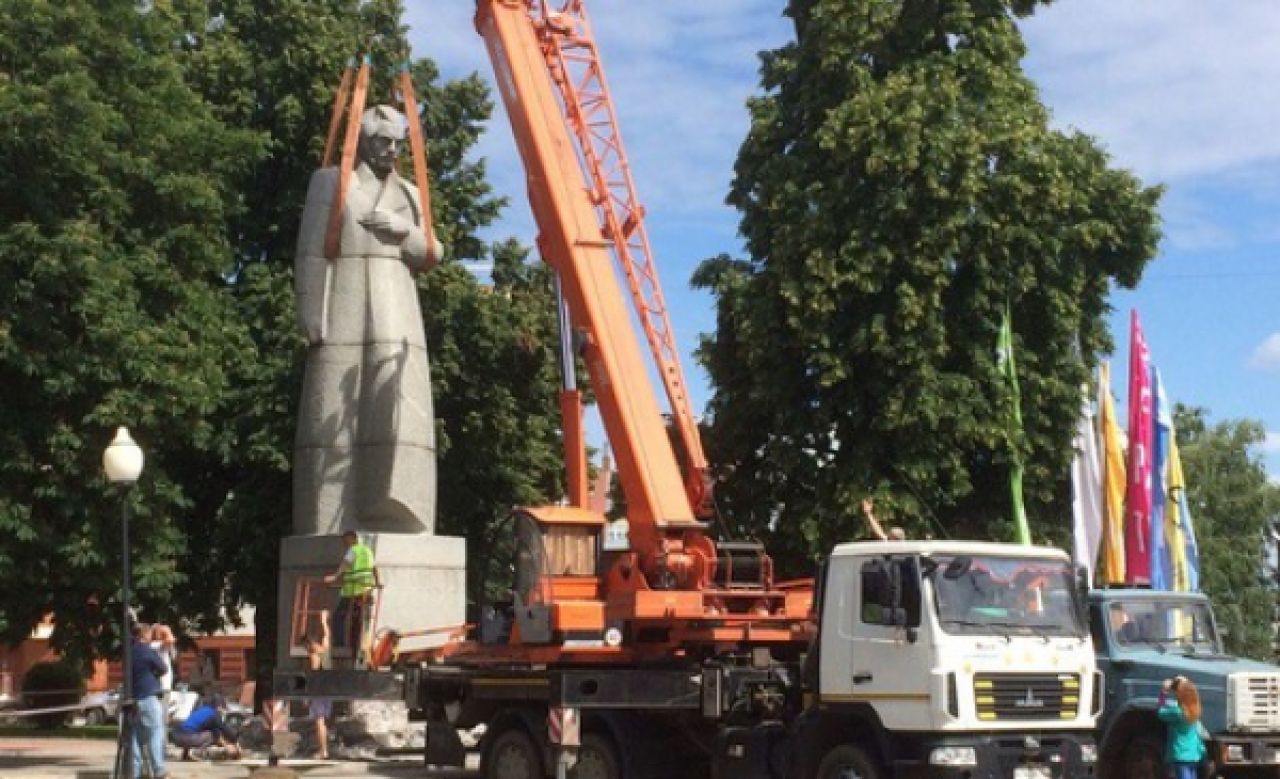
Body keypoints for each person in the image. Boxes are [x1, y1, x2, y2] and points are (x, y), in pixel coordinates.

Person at [293, 103, 445, 537]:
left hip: (396, 304)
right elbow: (310, 249)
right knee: (335, 405)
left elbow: (432, 252)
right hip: (344, 301)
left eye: (398, 143)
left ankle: (396, 506)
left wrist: (402, 231)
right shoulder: (331, 182)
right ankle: (329, 516)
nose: (391, 150)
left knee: (395, 404)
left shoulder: (409, 194)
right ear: (361, 139)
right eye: (383, 141)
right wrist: (310, 309)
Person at [325, 530, 381, 655]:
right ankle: (356, 645)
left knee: (338, 617)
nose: (344, 543)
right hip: (366, 590)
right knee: (358, 618)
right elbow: (374, 567)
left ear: (352, 538)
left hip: (353, 591)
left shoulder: (353, 550)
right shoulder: (367, 551)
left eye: (345, 539)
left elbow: (345, 564)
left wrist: (335, 577)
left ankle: (340, 645)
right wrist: (377, 582)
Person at [129, 622, 169, 779]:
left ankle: (135, 773)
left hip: (133, 699)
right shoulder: (148, 651)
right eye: (149, 634)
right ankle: (158, 769)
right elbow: (163, 668)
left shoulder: (130, 652)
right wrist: (153, 674)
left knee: (136, 738)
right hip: (149, 697)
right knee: (155, 732)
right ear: (144, 635)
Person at [1158, 675, 1207, 779]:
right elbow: (1187, 695)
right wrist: (1186, 684)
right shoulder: (1195, 711)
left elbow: (1161, 713)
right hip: (1194, 754)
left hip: (1181, 755)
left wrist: (1164, 692)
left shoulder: (1177, 712)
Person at [171, 693, 241, 761]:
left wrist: (227, 744)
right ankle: (197, 753)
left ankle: (185, 755)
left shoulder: (202, 710)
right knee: (211, 735)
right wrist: (233, 743)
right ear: (219, 707)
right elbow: (223, 730)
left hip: (176, 737)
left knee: (193, 730)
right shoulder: (214, 714)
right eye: (223, 709)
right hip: (187, 738)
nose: (223, 712)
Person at [304, 611, 333, 759]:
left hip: (318, 691)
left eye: (306, 646)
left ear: (310, 644)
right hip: (329, 689)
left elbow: (313, 677)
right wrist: (323, 621)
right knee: (323, 722)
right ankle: (324, 750)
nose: (306, 649)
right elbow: (327, 635)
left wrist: (307, 696)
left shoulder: (314, 656)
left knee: (319, 722)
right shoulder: (326, 651)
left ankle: (323, 751)